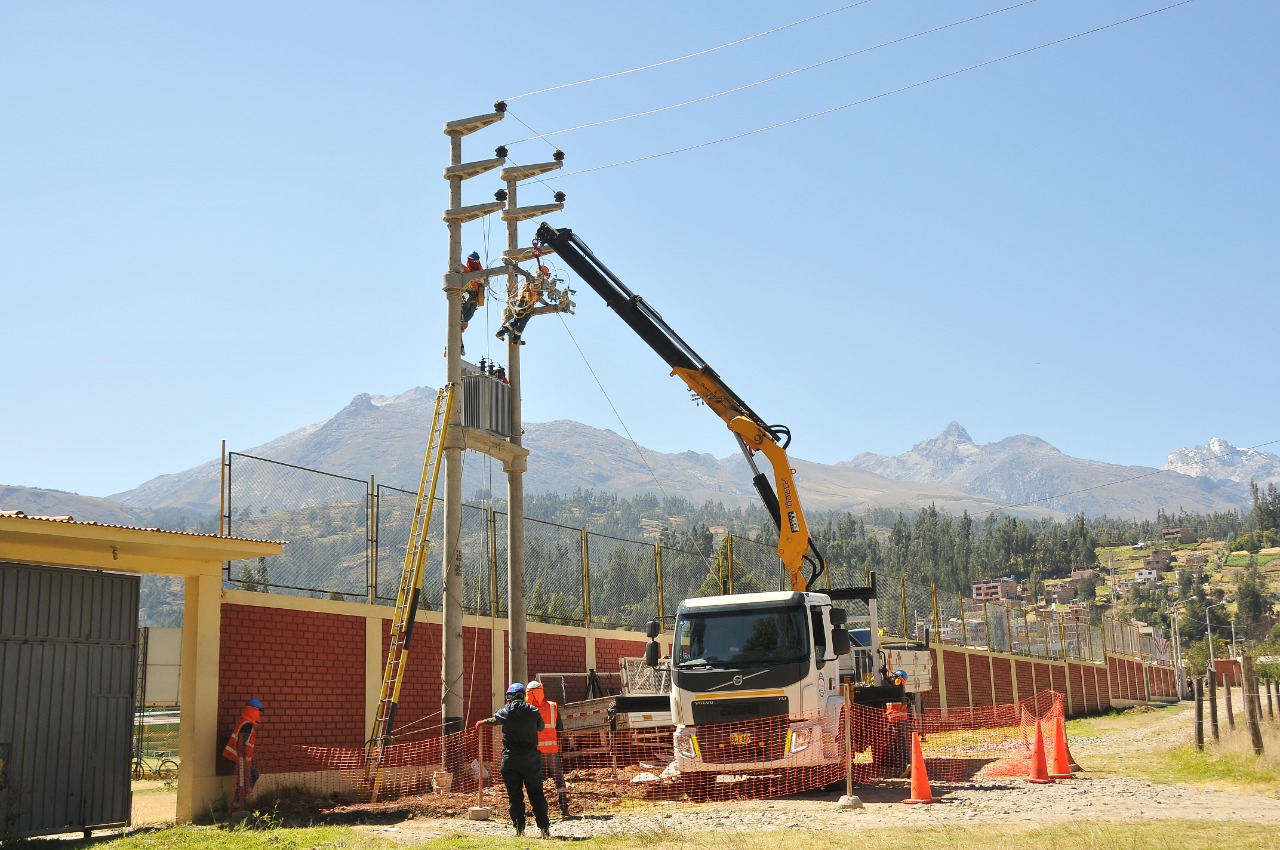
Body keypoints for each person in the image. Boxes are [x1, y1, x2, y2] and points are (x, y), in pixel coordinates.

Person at [475, 682, 550, 838]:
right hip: (530, 758)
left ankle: (519, 829)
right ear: (523, 695)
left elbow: (495, 719)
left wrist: (483, 722)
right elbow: (541, 727)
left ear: (509, 696)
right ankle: (544, 829)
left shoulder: (505, 711)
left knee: (515, 796)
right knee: (536, 794)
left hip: (511, 758)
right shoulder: (533, 711)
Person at [525, 680, 571, 817]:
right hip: (552, 751)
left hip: (534, 752)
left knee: (535, 781)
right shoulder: (552, 707)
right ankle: (564, 808)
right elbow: (560, 729)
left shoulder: (526, 709)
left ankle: (540, 810)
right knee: (559, 780)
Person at [222, 697, 262, 814]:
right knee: (244, 781)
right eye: (259, 711)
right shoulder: (247, 725)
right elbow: (242, 744)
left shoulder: (244, 722)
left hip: (240, 758)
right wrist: (243, 761)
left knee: (251, 776)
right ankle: (238, 804)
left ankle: (239, 802)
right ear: (254, 710)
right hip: (240, 759)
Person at [495, 266, 548, 342]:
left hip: (522, 302)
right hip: (526, 303)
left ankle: (500, 332)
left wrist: (544, 301)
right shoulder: (536, 281)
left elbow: (537, 296)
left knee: (515, 320)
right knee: (522, 322)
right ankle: (516, 339)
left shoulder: (533, 279)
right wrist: (545, 302)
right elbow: (535, 293)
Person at [460, 252, 485, 331]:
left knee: (471, 311)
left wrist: (482, 280)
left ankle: (463, 322)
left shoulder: (481, 270)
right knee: (466, 305)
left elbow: (486, 282)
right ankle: (460, 319)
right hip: (467, 291)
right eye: (473, 261)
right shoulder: (466, 270)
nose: (475, 263)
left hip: (475, 293)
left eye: (476, 261)